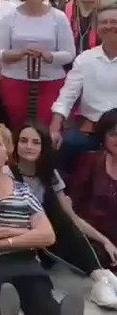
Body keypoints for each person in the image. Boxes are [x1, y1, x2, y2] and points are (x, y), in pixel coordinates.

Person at [0, 120, 85, 315]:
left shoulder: (23, 190)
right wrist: (22, 232)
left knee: (43, 303)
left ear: (7, 151)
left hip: (20, 259)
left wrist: (5, 242)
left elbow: (47, 235)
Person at [10, 123, 117, 308]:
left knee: (60, 212)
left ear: (43, 147)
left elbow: (71, 218)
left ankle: (102, 278)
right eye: (24, 141)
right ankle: (102, 278)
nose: (29, 146)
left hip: (48, 241)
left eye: (36, 142)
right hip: (19, 241)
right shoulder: (7, 174)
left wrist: (104, 240)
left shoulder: (49, 175)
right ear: (15, 144)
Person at [0, 0, 76, 130]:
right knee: (17, 126)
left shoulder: (58, 17)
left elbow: (70, 54)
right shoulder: (9, 18)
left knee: (45, 128)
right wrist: (17, 53)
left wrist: (49, 55)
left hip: (50, 82)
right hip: (15, 81)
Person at [51, 4, 117, 172]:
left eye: (114, 21)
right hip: (91, 131)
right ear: (97, 28)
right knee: (65, 144)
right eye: (104, 22)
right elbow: (67, 95)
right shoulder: (85, 59)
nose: (109, 26)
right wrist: (54, 127)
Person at [67, 109, 117, 272]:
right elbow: (74, 209)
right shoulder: (90, 162)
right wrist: (103, 241)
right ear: (103, 136)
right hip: (94, 239)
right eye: (113, 134)